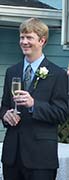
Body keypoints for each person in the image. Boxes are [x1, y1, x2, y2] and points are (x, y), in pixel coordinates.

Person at [0, 17, 68, 180]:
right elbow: (4, 105)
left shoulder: (57, 74)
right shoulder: (12, 71)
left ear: (42, 40)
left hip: (41, 158)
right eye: (22, 37)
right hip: (12, 156)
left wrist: (33, 105)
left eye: (29, 37)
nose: (24, 42)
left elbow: (62, 113)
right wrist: (5, 115)